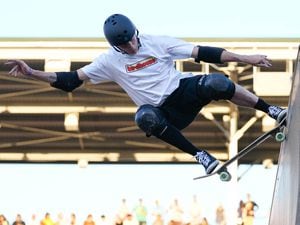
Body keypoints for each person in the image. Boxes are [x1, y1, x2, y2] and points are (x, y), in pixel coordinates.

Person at [5, 13, 287, 174]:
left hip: (183, 91)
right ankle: (201, 156)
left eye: (132, 41)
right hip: (164, 113)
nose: (131, 48)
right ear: (115, 47)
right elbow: (70, 80)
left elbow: (203, 52)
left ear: (136, 32)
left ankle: (270, 109)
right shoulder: (108, 61)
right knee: (144, 117)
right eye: (124, 47)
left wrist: (246, 58)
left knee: (216, 83)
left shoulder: (156, 42)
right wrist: (31, 73)